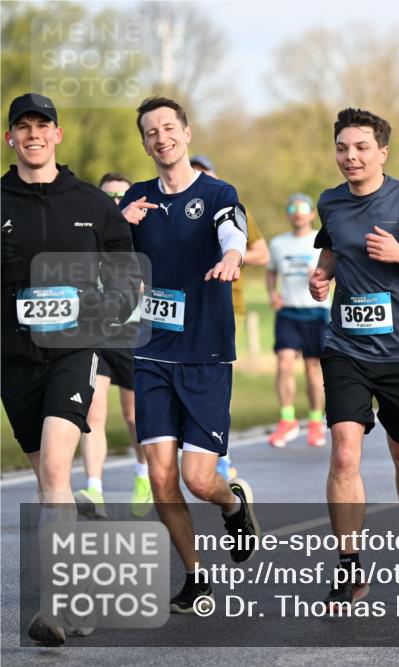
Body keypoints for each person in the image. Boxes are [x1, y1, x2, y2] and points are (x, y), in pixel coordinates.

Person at [2, 93, 141, 645]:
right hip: (13, 358)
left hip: (74, 353)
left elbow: (128, 278)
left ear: (58, 135)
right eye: (23, 127)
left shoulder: (92, 203)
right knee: (47, 484)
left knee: (57, 473)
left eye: (43, 126)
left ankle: (53, 606)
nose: (33, 135)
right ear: (10, 137)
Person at [308, 108, 399, 610]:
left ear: (382, 152)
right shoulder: (330, 202)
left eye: (361, 148)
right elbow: (331, 249)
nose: (351, 156)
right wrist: (320, 274)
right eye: (343, 148)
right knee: (345, 452)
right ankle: (349, 566)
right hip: (345, 346)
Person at [120, 96, 261, 614]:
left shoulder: (217, 192)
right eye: (151, 132)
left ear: (187, 133)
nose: (161, 138)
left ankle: (231, 503)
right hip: (152, 352)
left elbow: (232, 228)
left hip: (205, 352)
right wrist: (118, 222)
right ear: (144, 143)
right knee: (160, 475)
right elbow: (105, 251)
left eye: (168, 128)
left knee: (198, 479)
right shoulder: (136, 199)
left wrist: (231, 256)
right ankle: (195, 575)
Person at [73, 173, 153, 520]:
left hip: (135, 333)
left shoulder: (143, 236)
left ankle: (143, 475)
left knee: (135, 417)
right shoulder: (91, 233)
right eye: (108, 197)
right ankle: (94, 488)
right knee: (93, 413)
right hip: (99, 333)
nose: (116, 201)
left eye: (122, 195)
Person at [189, 155, 270, 479]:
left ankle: (220, 453)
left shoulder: (230, 206)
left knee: (212, 380)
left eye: (205, 174)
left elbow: (262, 253)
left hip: (223, 304)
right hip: (184, 306)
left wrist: (230, 257)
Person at [267, 193, 328, 448]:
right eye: (293, 207)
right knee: (284, 363)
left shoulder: (321, 241)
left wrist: (318, 276)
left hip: (316, 312)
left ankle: (315, 422)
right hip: (289, 312)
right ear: (288, 214)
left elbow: (333, 272)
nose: (298, 212)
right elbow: (271, 272)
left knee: (313, 369)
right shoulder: (279, 243)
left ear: (312, 214)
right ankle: (287, 419)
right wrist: (272, 293)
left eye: (303, 208)